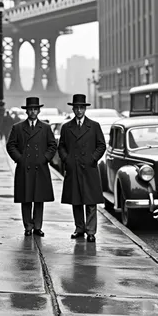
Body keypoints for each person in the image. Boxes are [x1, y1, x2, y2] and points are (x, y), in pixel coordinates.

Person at [58, 94, 106, 243]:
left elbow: (101, 145)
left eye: (81, 108)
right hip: (74, 168)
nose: (79, 110)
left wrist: (93, 158)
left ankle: (91, 231)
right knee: (76, 200)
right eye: (76, 108)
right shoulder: (66, 127)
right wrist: (67, 160)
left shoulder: (94, 126)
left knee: (91, 202)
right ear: (73, 109)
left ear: (85, 109)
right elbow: (61, 147)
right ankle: (79, 228)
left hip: (89, 168)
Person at [6, 97, 57, 237]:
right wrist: (20, 159)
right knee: (26, 198)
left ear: (39, 111)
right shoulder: (18, 127)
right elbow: (11, 145)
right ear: (26, 111)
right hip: (25, 167)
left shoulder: (46, 127)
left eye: (35, 109)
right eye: (30, 109)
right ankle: (28, 226)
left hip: (40, 167)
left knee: (39, 199)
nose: (33, 112)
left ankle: (37, 226)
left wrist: (45, 158)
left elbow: (52, 145)